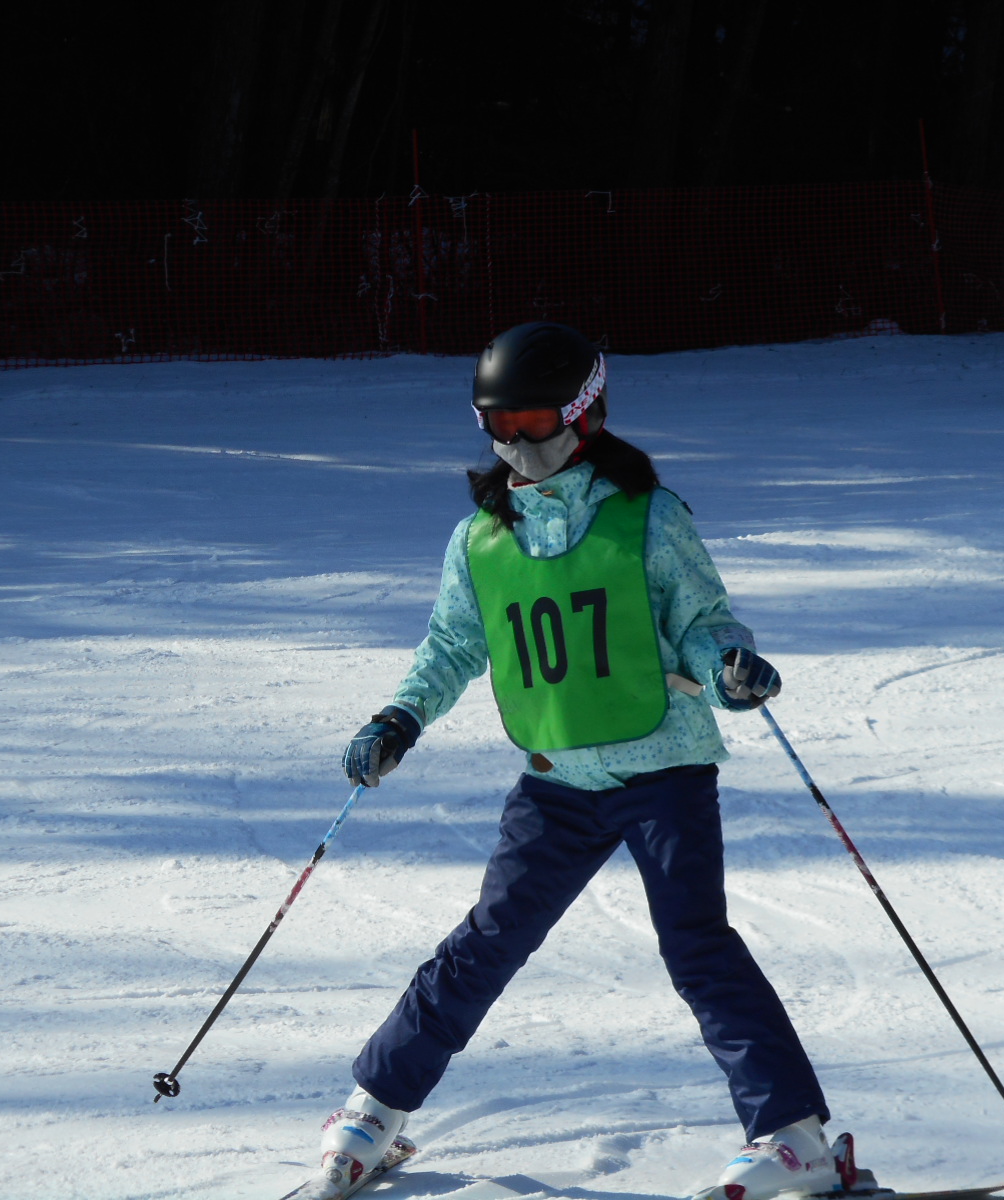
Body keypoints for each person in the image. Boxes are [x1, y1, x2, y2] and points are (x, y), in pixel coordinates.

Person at [313, 322, 838, 1200]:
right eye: (495, 423)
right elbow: (451, 646)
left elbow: (704, 624)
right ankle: (374, 1108)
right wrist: (399, 716)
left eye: (531, 420)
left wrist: (730, 670)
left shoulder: (648, 517)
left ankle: (793, 1136)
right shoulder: (480, 538)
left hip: (663, 773)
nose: (512, 443)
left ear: (584, 415)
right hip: (556, 782)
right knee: (485, 945)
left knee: (698, 948)